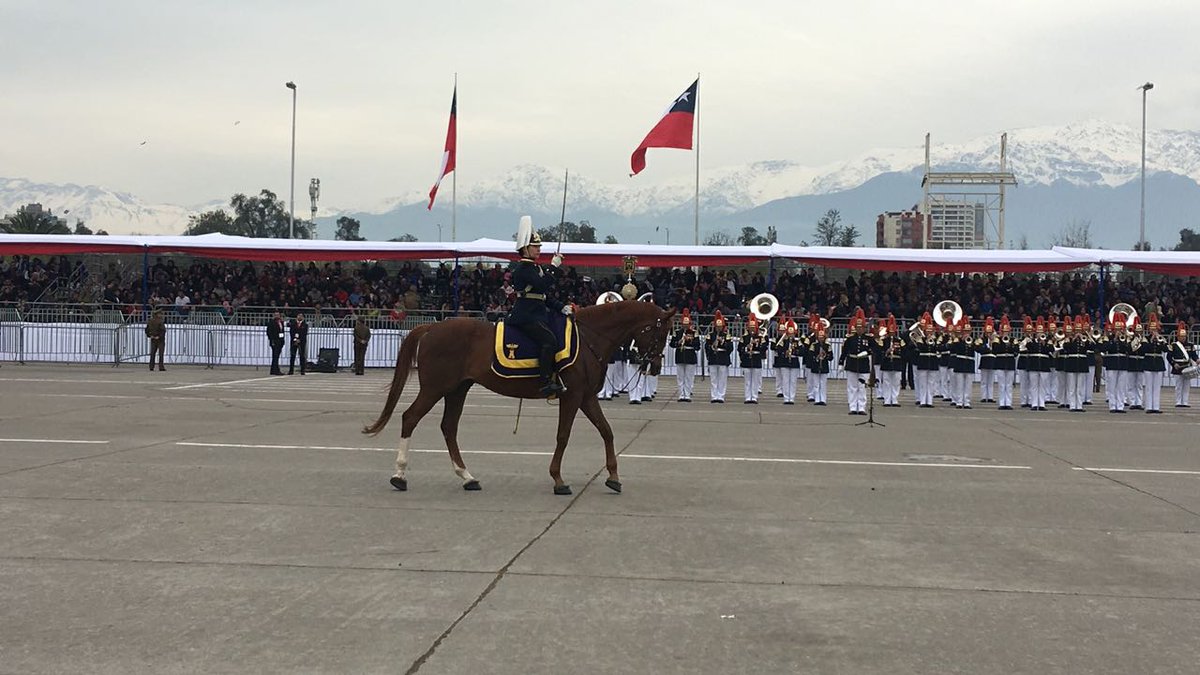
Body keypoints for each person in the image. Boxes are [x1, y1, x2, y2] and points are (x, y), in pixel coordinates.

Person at [506, 216, 569, 397]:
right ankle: (545, 381)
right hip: (526, 316)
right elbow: (542, 285)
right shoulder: (524, 269)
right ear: (525, 248)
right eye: (535, 246)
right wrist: (554, 267)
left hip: (537, 313)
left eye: (539, 246)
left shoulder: (534, 267)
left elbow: (542, 296)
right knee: (549, 342)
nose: (539, 249)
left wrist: (561, 307)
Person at [839, 309, 872, 415]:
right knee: (852, 387)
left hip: (863, 364)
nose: (859, 329)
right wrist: (841, 363)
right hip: (852, 363)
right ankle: (852, 407)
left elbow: (876, 350)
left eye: (861, 327)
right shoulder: (850, 339)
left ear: (864, 328)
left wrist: (868, 352)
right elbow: (844, 352)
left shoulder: (868, 339)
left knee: (862, 387)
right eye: (857, 327)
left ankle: (861, 407)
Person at [671, 309, 700, 402]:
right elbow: (672, 344)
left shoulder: (694, 332)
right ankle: (681, 394)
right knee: (680, 377)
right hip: (680, 355)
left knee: (689, 377)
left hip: (690, 355)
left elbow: (697, 346)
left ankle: (687, 394)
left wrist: (690, 341)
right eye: (684, 324)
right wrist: (678, 342)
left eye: (687, 324)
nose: (685, 326)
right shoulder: (677, 332)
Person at [704, 311, 732, 403]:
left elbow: (730, 348)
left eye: (720, 326)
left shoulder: (726, 335)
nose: (718, 328)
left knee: (722, 379)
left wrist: (723, 342)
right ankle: (714, 396)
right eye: (717, 326)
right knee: (713, 379)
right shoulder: (711, 335)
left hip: (723, 358)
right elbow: (706, 346)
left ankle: (721, 396)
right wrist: (712, 346)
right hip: (713, 358)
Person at [1170, 321, 1197, 407]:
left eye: (1184, 336)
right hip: (1178, 366)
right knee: (1178, 385)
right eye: (1181, 336)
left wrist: (1197, 360)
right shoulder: (1174, 345)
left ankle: (1185, 401)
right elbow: (1169, 357)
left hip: (1187, 366)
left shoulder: (1190, 345)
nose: (1183, 338)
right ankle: (1178, 401)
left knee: (1186, 385)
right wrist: (1173, 364)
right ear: (1178, 337)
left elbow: (1193, 355)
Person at [267, 310, 285, 375]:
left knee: (276, 356)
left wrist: (283, 340)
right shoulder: (271, 322)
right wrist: (272, 340)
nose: (277, 316)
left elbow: (282, 332)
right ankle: (276, 370)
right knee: (275, 356)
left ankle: (273, 370)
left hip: (280, 341)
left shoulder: (281, 322)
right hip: (274, 341)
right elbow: (269, 332)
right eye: (276, 315)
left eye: (278, 315)